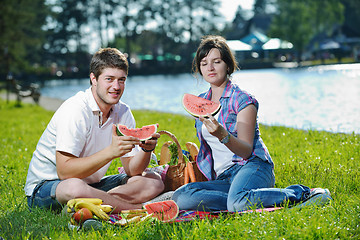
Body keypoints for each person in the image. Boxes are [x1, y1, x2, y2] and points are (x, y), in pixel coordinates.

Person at [172, 35, 331, 211]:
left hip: (253, 166)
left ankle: (300, 193)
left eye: (216, 61)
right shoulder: (201, 101)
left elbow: (246, 151)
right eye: (203, 63)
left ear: (227, 65)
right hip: (224, 177)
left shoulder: (242, 100)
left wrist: (222, 135)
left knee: (236, 202)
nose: (209, 67)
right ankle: (243, 199)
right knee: (180, 197)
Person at [24, 48, 165, 213]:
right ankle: (136, 209)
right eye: (109, 79)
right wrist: (111, 152)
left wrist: (146, 150)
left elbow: (132, 170)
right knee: (75, 188)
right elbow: (65, 172)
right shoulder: (75, 109)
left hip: (91, 185)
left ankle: (91, 205)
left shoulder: (123, 112)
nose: (116, 86)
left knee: (153, 181)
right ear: (94, 79)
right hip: (48, 187)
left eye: (121, 80)